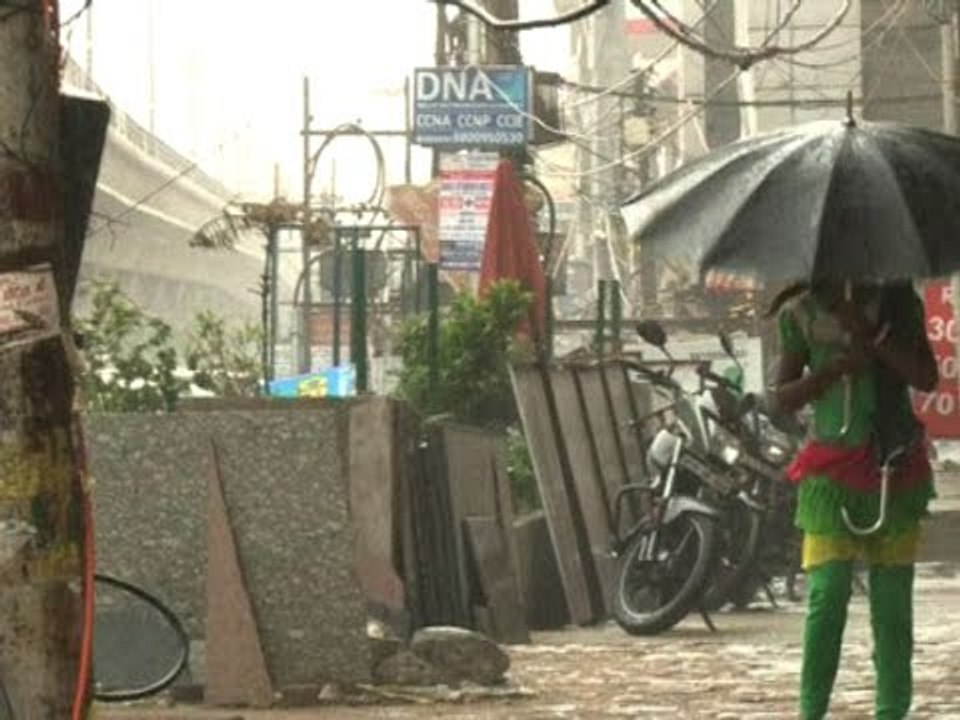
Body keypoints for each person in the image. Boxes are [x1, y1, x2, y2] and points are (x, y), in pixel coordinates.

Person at [772, 281, 938, 720]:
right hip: (830, 476)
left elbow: (925, 377)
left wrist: (871, 332)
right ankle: (811, 710)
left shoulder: (899, 302)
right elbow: (782, 398)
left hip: (894, 472)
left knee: (892, 607)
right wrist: (831, 371)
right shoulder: (801, 312)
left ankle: (891, 709)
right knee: (827, 595)